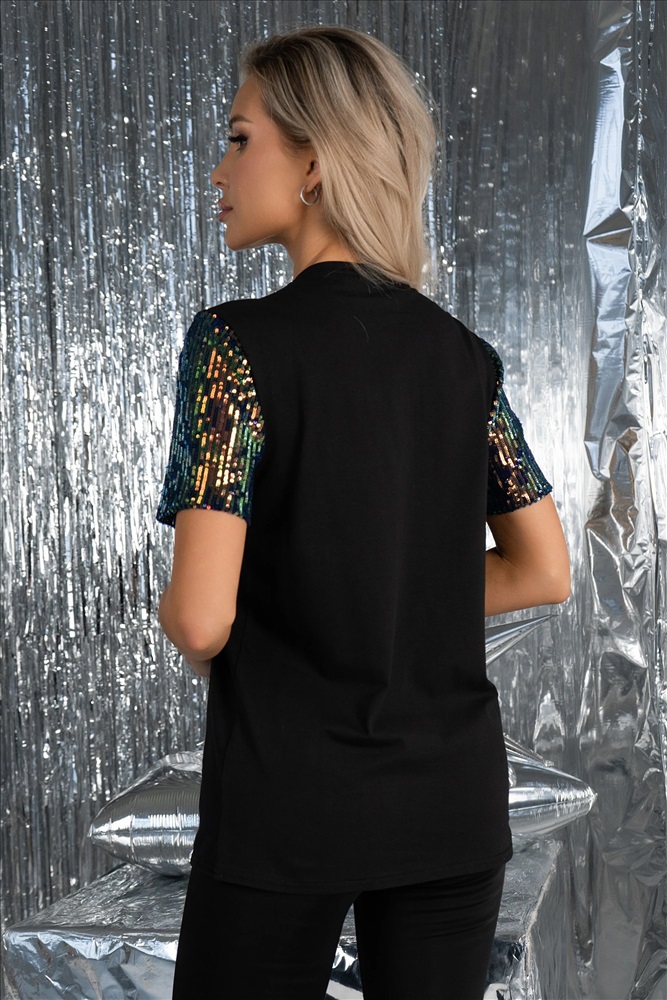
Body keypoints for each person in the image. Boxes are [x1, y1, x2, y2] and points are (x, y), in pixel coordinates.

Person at [156, 24, 570, 1000]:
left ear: (312, 163)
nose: (218, 169)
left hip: (286, 803)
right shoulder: (460, 354)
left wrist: (256, 607)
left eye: (240, 139)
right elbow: (542, 571)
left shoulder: (233, 347)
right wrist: (390, 598)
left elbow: (202, 619)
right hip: (451, 807)